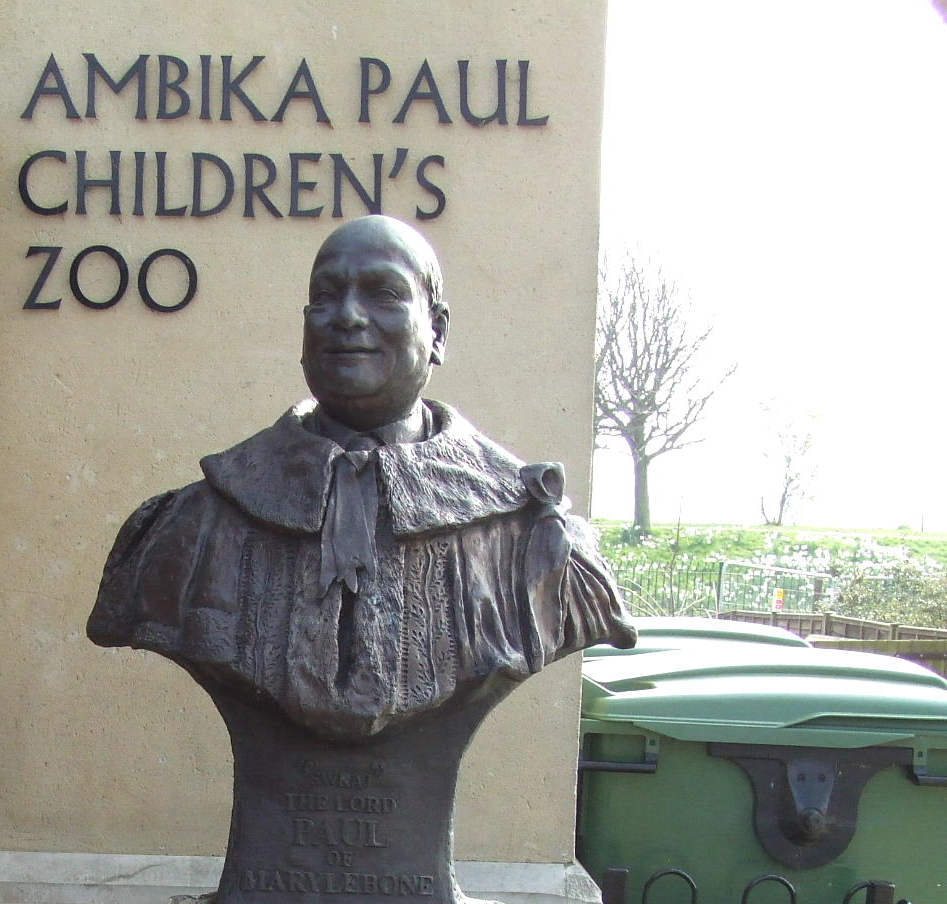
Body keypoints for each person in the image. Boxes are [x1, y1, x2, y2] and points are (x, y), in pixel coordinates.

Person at [88, 215, 635, 742]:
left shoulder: (535, 539)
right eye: (326, 295)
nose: (347, 316)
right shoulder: (186, 530)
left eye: (384, 293)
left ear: (438, 330)